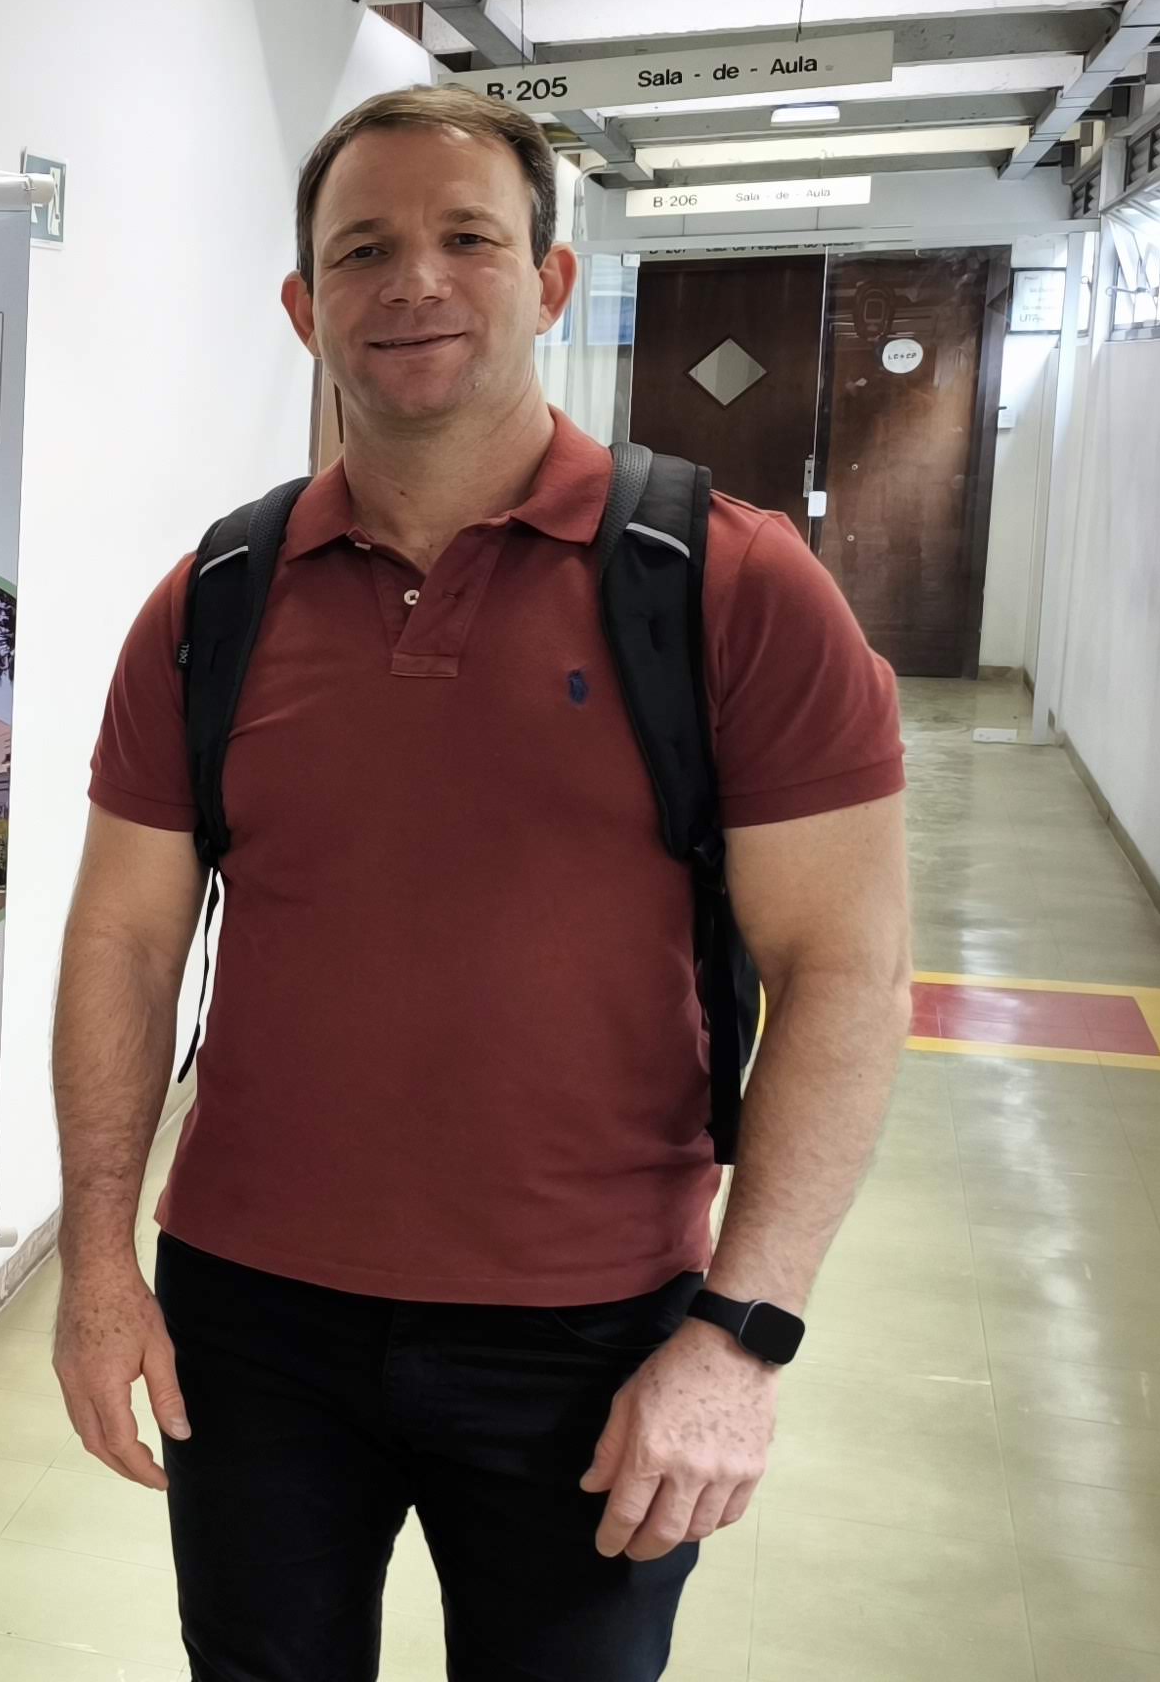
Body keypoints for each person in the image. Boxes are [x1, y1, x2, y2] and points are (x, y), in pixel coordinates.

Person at [50, 84, 910, 1680]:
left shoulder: (727, 586)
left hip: (591, 1331)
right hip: (253, 1320)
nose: (416, 283)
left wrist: (742, 1336)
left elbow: (848, 972)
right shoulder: (212, 602)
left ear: (552, 280)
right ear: (307, 306)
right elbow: (124, 939)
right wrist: (101, 1267)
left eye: (468, 239)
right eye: (364, 250)